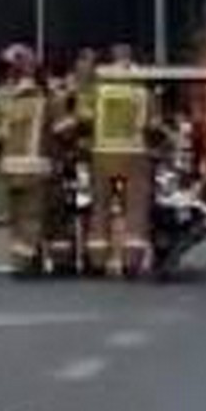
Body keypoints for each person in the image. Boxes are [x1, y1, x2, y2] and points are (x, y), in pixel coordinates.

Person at [81, 46, 156, 280]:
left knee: (100, 208)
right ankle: (131, 261)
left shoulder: (99, 89)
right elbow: (153, 125)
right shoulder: (141, 91)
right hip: (134, 155)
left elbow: (84, 116)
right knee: (135, 209)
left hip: (102, 154)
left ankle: (97, 260)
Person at [0, 47, 59, 279]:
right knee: (32, 216)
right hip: (36, 165)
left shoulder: (1, 97)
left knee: (16, 216)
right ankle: (25, 262)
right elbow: (60, 129)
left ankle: (23, 257)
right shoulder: (46, 97)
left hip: (10, 166)